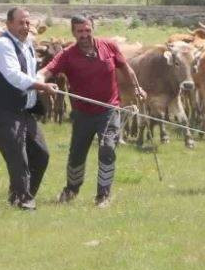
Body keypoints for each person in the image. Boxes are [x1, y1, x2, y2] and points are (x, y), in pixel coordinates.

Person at [39, 15, 147, 208]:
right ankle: (72, 189)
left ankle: (103, 196)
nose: (84, 35)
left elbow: (126, 69)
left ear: (92, 29)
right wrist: (38, 80)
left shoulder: (109, 47)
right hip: (83, 112)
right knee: (77, 154)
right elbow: (47, 70)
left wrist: (137, 87)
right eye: (80, 31)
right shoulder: (67, 55)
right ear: (73, 33)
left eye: (87, 30)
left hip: (110, 108)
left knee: (107, 147)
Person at [0, 7, 58, 210]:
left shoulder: (28, 45)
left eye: (28, 23)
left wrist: (42, 83)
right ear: (8, 24)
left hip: (24, 111)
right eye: (21, 23)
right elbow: (14, 76)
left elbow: (31, 74)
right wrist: (41, 86)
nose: (25, 27)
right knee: (18, 157)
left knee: (41, 155)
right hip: (3, 110)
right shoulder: (1, 45)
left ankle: (19, 195)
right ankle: (24, 201)